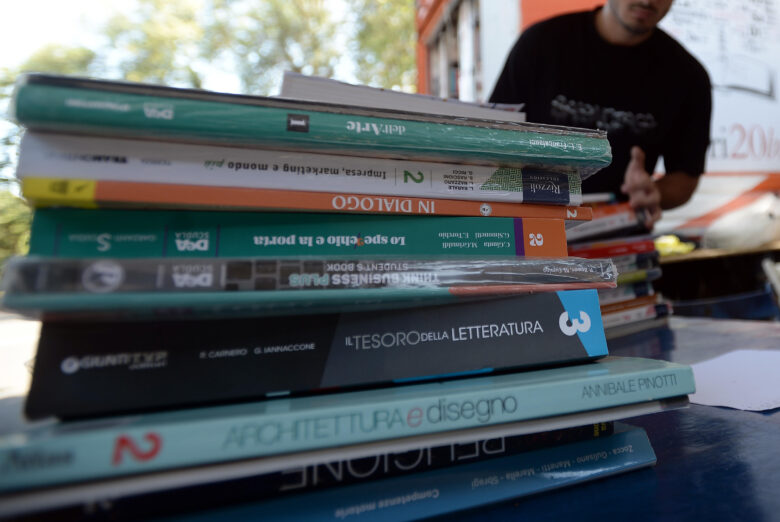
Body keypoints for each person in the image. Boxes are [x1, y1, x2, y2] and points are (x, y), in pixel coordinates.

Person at [490, 0, 711, 229]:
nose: (647, 1)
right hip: (530, 227)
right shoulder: (541, 43)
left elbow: (685, 177)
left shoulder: (688, 76)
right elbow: (492, 137)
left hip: (619, 235)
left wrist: (654, 192)